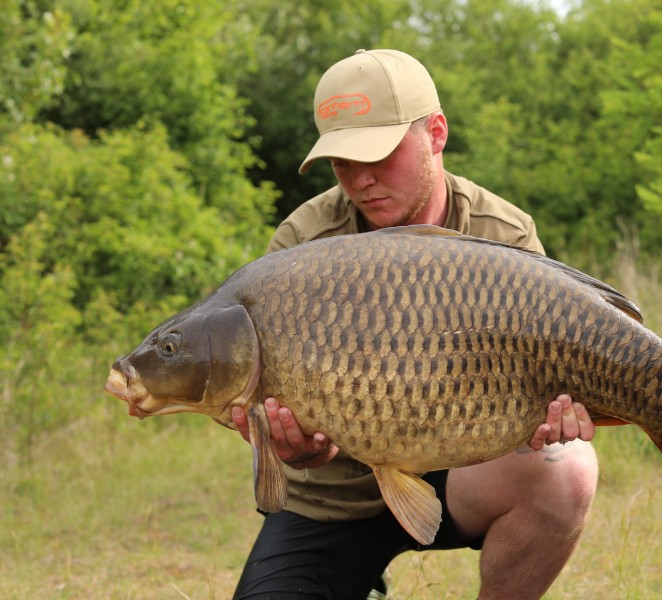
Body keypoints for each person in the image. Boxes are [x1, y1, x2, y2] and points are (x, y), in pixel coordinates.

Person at [231, 49, 598, 600]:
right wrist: (303, 448)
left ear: (436, 133)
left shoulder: (503, 235)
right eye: (342, 162)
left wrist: (547, 423)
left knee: (566, 467)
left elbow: (541, 408)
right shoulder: (301, 244)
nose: (362, 179)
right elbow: (291, 428)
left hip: (463, 475)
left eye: (379, 153)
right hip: (334, 500)